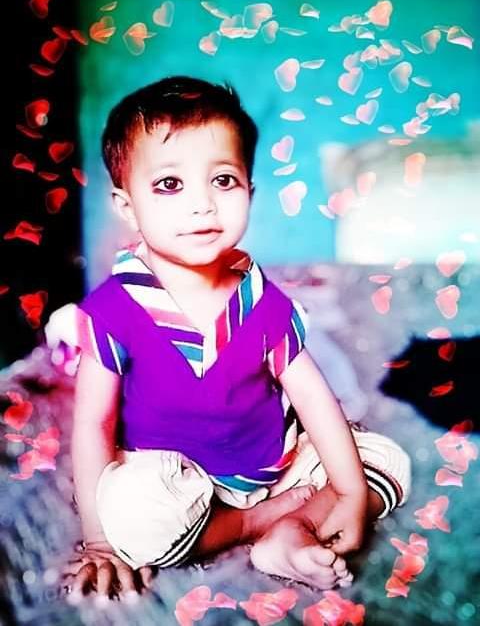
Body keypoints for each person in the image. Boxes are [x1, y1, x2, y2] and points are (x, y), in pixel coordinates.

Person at [49, 76, 411, 603]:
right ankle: (256, 524)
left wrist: (351, 490)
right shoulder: (114, 309)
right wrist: (102, 541)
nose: (202, 204)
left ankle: (289, 532)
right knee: (135, 515)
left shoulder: (261, 300)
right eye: (169, 184)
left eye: (222, 180)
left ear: (250, 192)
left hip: (276, 465)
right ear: (126, 206)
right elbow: (94, 422)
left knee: (386, 461)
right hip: (175, 481)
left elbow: (313, 398)